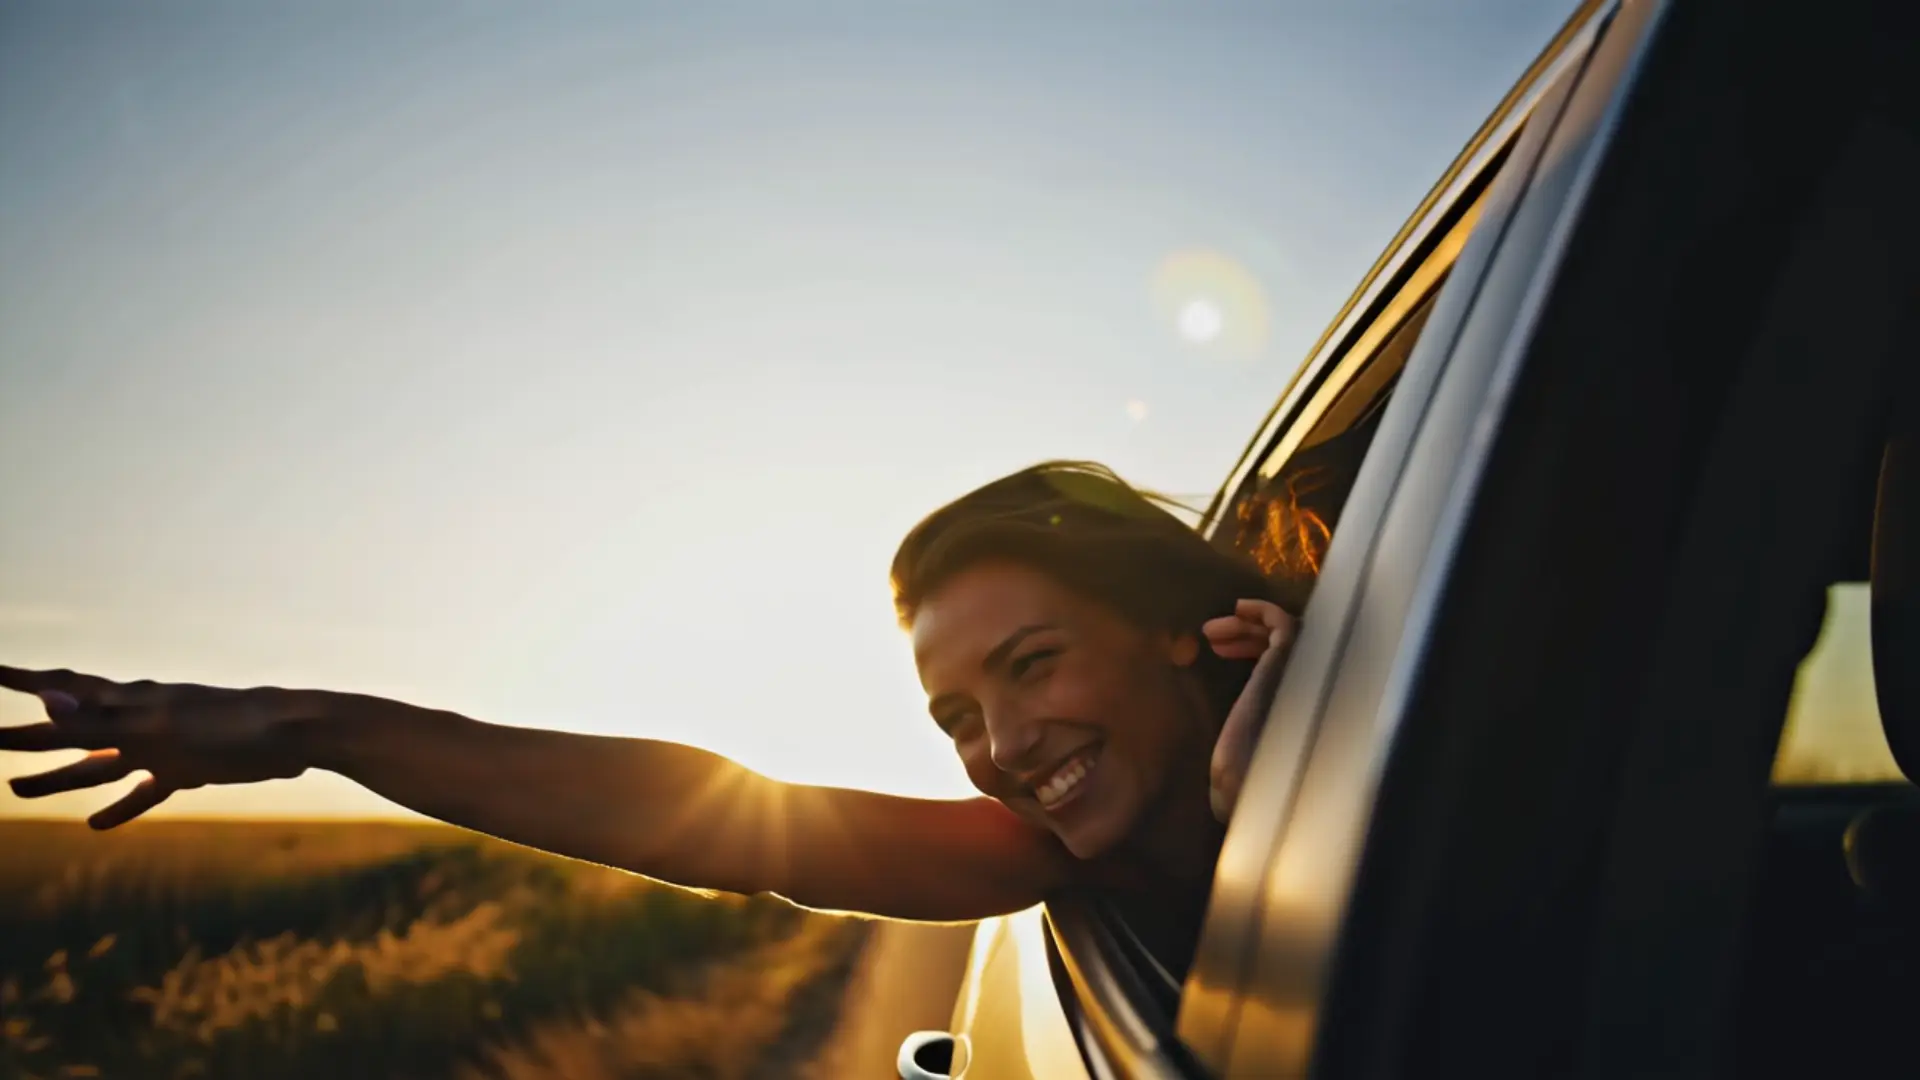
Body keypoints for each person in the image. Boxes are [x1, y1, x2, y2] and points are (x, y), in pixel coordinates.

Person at [0, 461, 1297, 966]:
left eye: (1034, 663)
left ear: (1178, 628)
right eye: (956, 713)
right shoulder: (1046, 863)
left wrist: (1310, 733)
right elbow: (710, 824)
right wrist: (304, 727)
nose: (1003, 752)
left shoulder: (1385, 752)